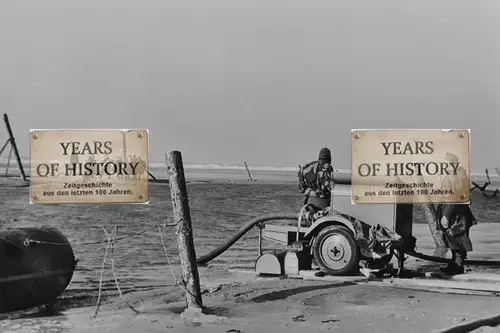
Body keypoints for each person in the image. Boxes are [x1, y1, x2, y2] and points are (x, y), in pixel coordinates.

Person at [436, 202, 477, 275]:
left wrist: (446, 216)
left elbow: (452, 200)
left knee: (458, 243)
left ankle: (458, 266)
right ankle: (454, 264)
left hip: (457, 218)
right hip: (456, 216)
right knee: (454, 243)